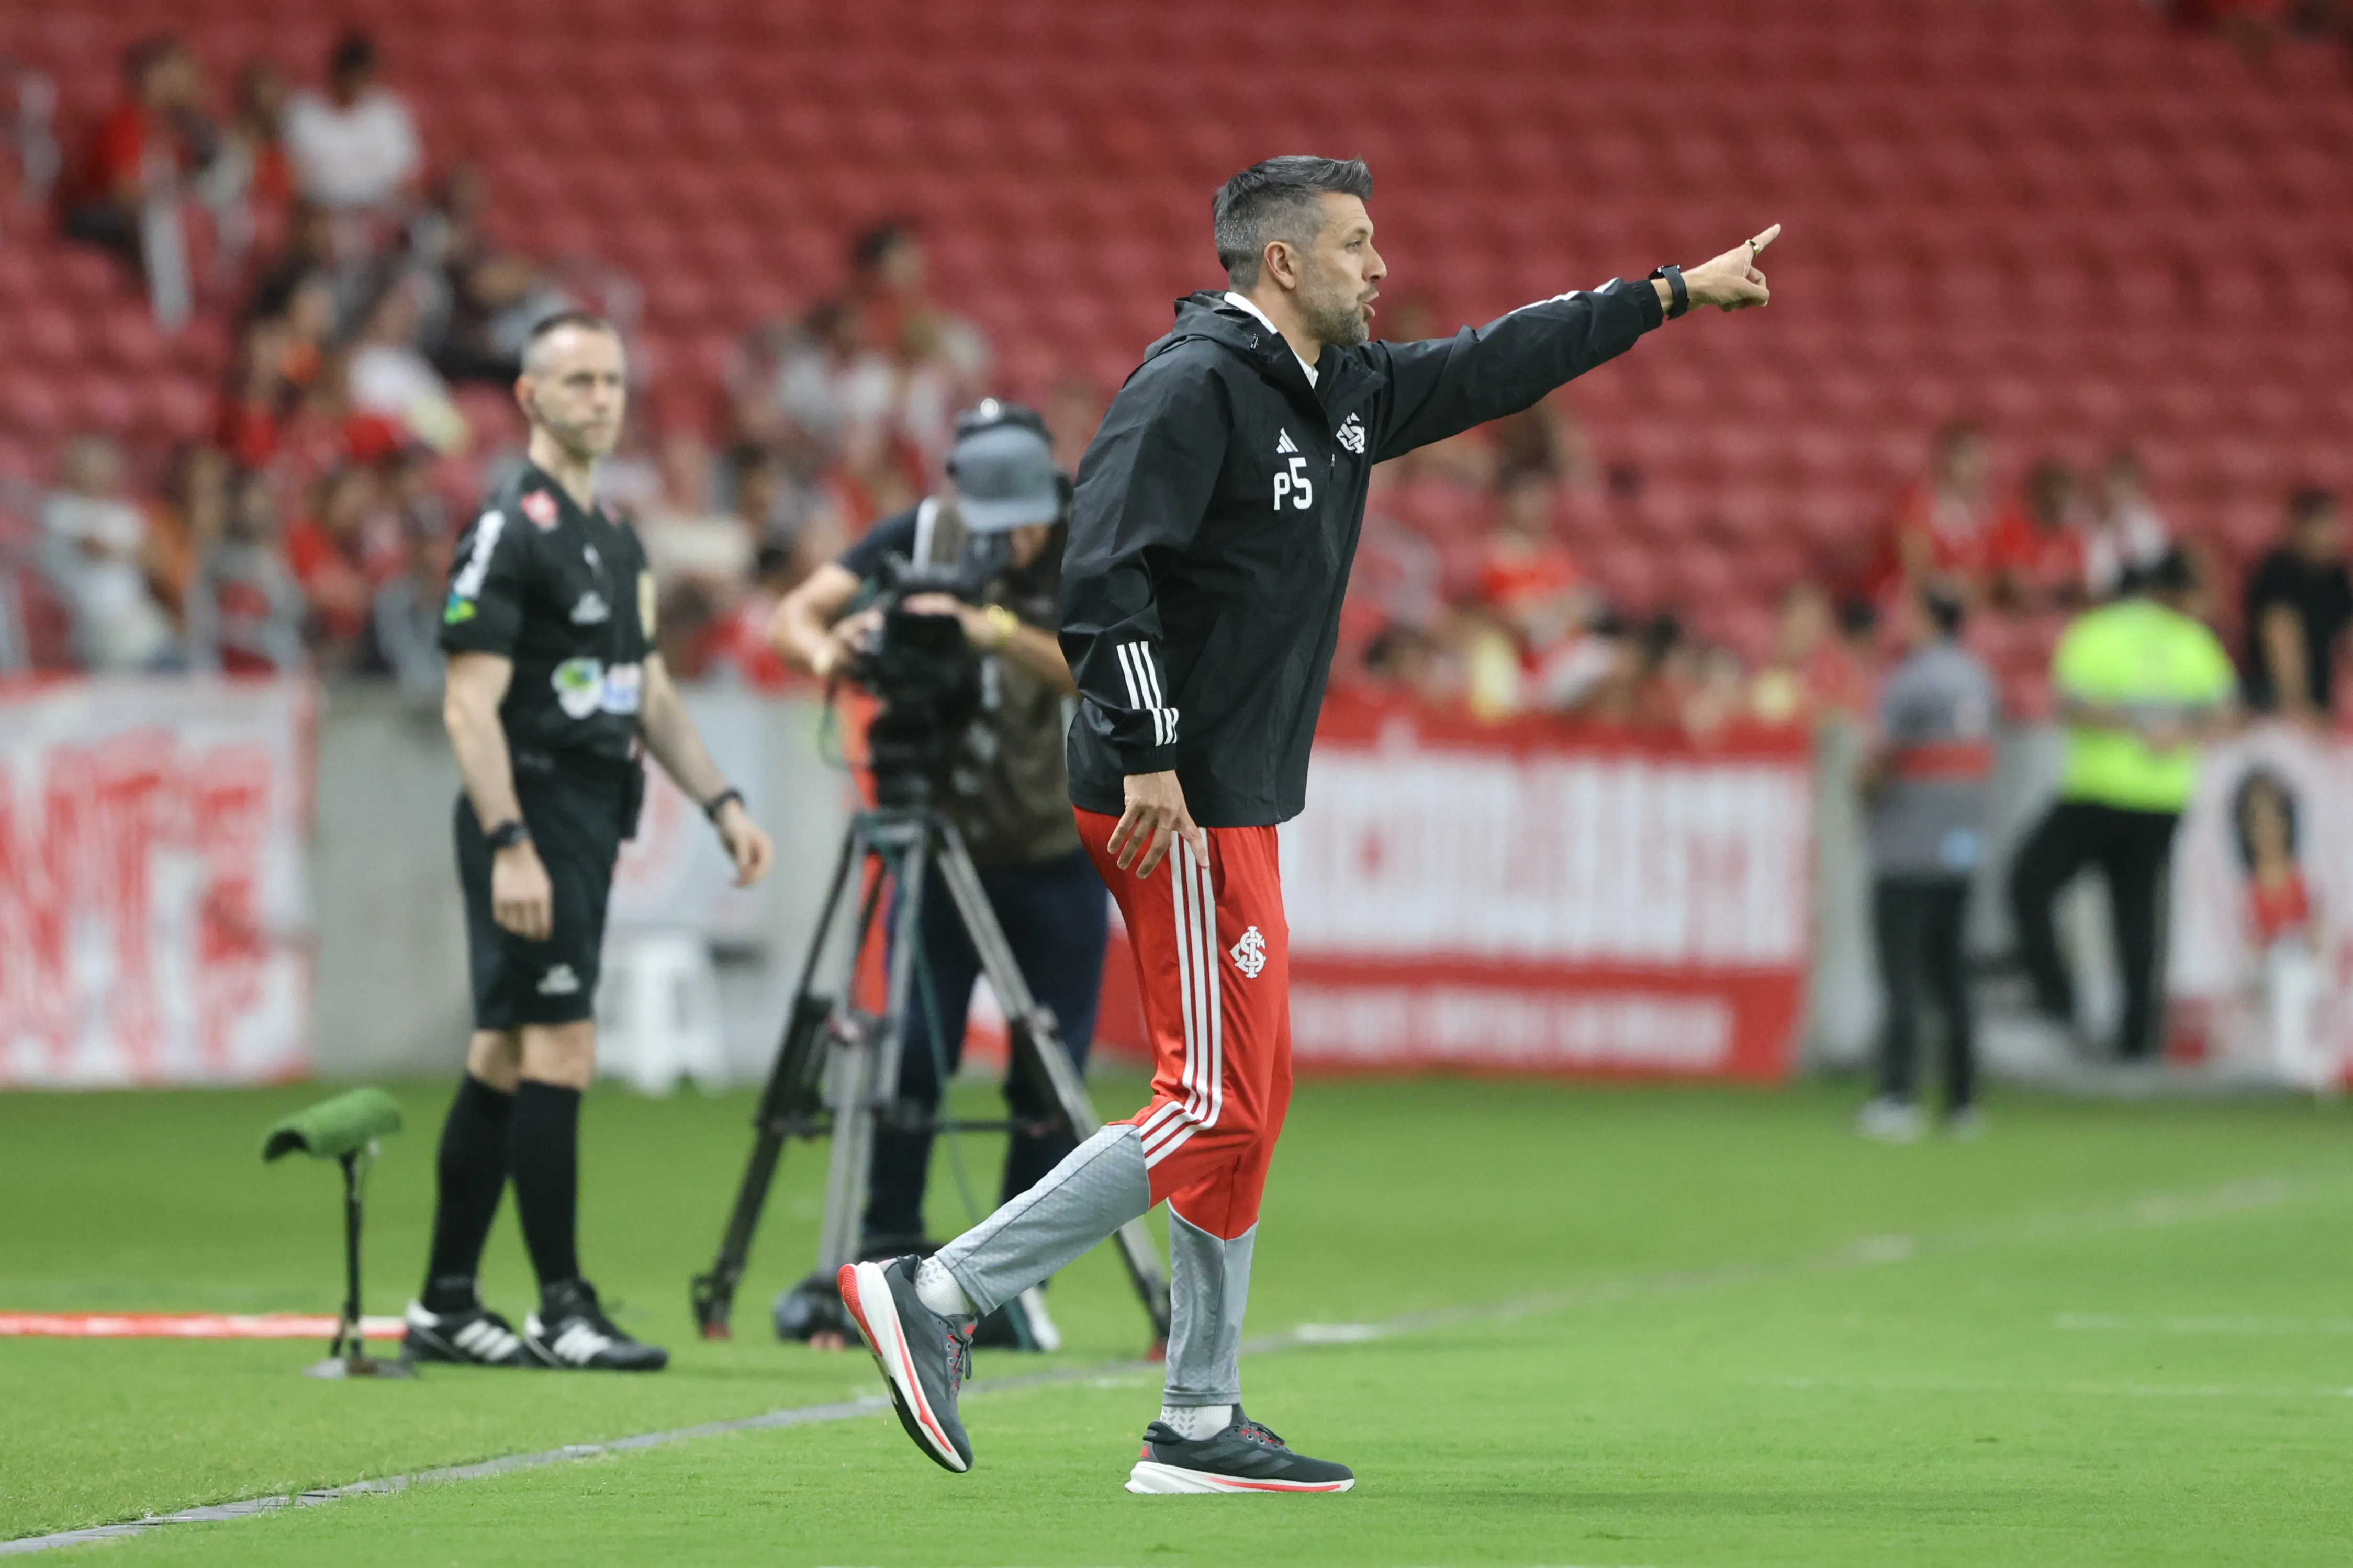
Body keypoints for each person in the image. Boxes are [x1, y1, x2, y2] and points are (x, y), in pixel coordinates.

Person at [834, 154, 1777, 1492]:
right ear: (1282, 263)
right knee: (1213, 1100)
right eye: (1355, 244)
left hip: (1234, 797)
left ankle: (1200, 1423)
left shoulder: (1339, 391)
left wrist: (1667, 295)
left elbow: (1497, 361)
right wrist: (1151, 753)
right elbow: (1102, 585)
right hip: (1169, 799)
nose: (1378, 268)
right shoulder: (1191, 385)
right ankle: (935, 1295)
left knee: (1247, 1103)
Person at [401, 312, 775, 1372]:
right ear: (527, 396)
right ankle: (562, 1306)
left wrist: (722, 802)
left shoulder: (614, 536)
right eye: (576, 382)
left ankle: (445, 1302)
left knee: (506, 1052)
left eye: (611, 381)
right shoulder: (505, 528)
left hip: (585, 818)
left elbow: (647, 690)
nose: (599, 398)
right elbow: (467, 709)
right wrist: (509, 837)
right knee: (560, 1046)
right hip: (528, 816)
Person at [769, 400, 1104, 1350]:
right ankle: (887, 1263)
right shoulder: (918, 535)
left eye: (1028, 518)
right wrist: (831, 649)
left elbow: (1103, 667)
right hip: (943, 842)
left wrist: (986, 626)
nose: (1015, 538)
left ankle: (1008, 1278)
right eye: (997, 524)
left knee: (1048, 1077)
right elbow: (790, 615)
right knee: (911, 1054)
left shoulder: (1093, 535)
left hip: (1057, 848)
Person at [2008, 550, 2236, 1063]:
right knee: (2135, 918)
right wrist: (2177, 731)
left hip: (2097, 791)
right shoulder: (2191, 638)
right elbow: (2225, 712)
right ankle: (2136, 1041)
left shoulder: (2094, 631)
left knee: (2028, 884)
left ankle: (2058, 1002)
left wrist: (2132, 725)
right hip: (2160, 798)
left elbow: (2069, 704)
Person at [1855, 586, 1999, 1142]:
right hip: (1961, 845)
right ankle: (1963, 1100)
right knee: (1953, 974)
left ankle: (1898, 1096)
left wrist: (1862, 793)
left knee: (1902, 975)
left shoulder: (1910, 680)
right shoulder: (1978, 677)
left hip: (1907, 847)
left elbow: (1877, 760)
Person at [282, 31, 420, 222]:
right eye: (351, 73)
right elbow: (292, 175)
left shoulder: (389, 115)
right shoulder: (304, 113)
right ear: (337, 72)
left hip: (376, 217)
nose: (355, 83)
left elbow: (404, 179)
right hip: (319, 216)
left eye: (363, 75)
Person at [2241, 488, 2349, 726]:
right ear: (2299, 528)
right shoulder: (2278, 575)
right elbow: (2281, 640)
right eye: (2322, 526)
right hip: (2271, 704)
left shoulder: (2338, 578)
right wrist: (2299, 708)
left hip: (2321, 706)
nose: (2331, 535)